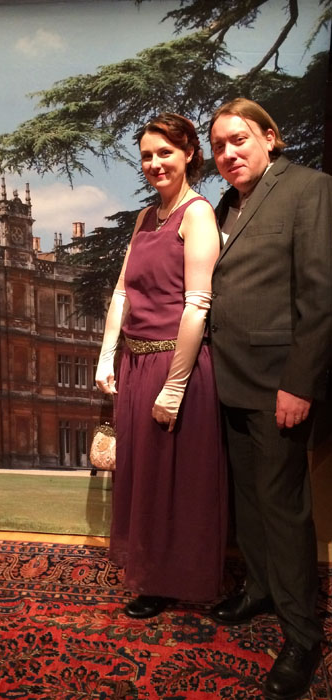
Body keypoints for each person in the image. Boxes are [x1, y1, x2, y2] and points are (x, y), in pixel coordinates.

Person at [208, 97, 332, 700]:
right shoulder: (225, 205)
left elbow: (321, 294)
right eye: (218, 146)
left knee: (284, 509)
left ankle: (303, 635)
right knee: (250, 501)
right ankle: (259, 590)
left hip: (279, 383)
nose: (228, 153)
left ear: (270, 137)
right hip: (228, 380)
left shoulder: (310, 189)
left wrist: (300, 382)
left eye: (238, 140)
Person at [96, 113, 227, 619]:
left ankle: (175, 580)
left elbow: (198, 304)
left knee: (177, 480)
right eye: (147, 156)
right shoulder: (144, 218)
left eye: (165, 153)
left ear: (190, 153)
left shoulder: (198, 215)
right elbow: (123, 291)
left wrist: (174, 388)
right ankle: (149, 574)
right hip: (135, 365)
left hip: (180, 368)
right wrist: (108, 356)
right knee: (144, 477)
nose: (155, 164)